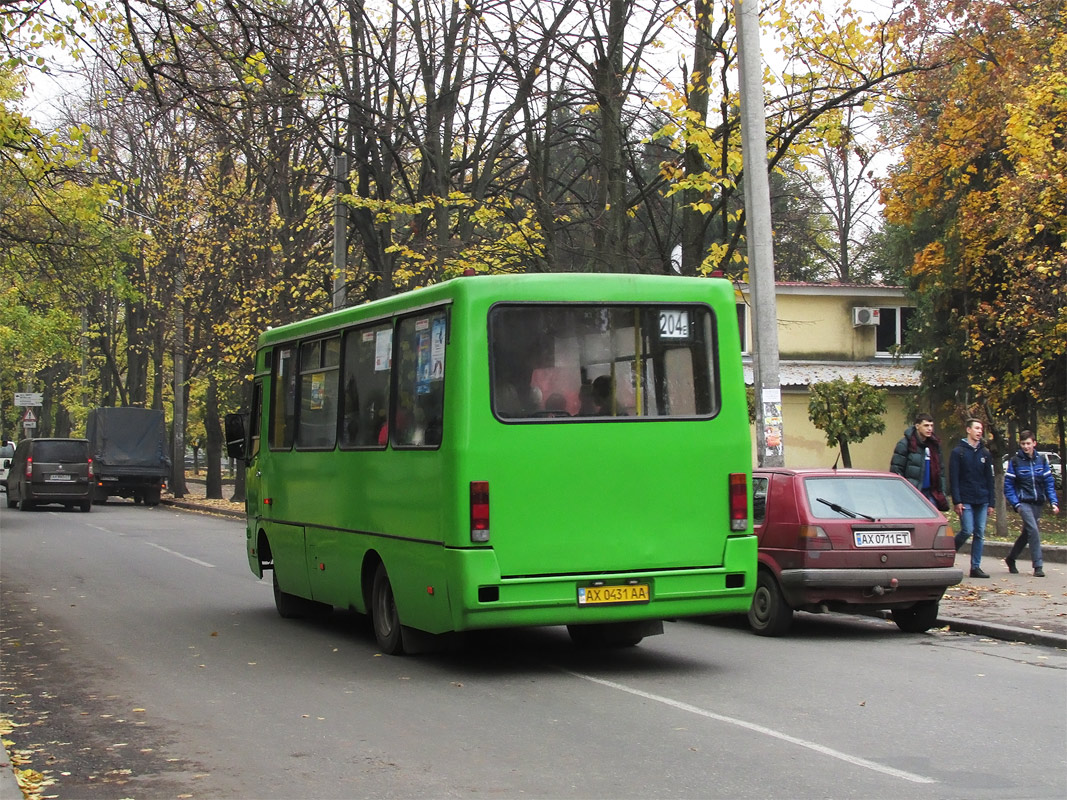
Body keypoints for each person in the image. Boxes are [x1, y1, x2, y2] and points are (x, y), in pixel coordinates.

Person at [1003, 431, 1060, 577]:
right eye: (1023, 444)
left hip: (1037, 503)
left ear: (1034, 443)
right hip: (1024, 503)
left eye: (1028, 443)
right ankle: (1038, 565)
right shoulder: (1015, 462)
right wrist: (1016, 504)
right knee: (1033, 530)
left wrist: (1053, 501)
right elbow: (1008, 486)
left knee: (1027, 533)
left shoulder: (1041, 460)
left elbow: (1048, 483)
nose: (1026, 446)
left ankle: (1011, 558)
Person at [950, 418, 996, 578]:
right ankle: (949, 552)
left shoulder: (985, 453)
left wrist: (991, 502)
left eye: (981, 429)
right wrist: (957, 500)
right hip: (966, 498)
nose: (979, 431)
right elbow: (954, 478)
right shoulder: (958, 452)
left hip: (982, 498)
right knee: (967, 530)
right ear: (968, 430)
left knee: (980, 532)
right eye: (976, 428)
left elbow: (989, 479)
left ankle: (975, 567)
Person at [890, 413, 948, 510]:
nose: (929, 429)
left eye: (931, 426)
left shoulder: (934, 445)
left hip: (931, 494)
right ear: (917, 426)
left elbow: (941, 471)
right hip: (912, 494)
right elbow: (896, 471)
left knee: (931, 524)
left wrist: (942, 492)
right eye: (926, 425)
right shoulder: (905, 444)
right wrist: (902, 493)